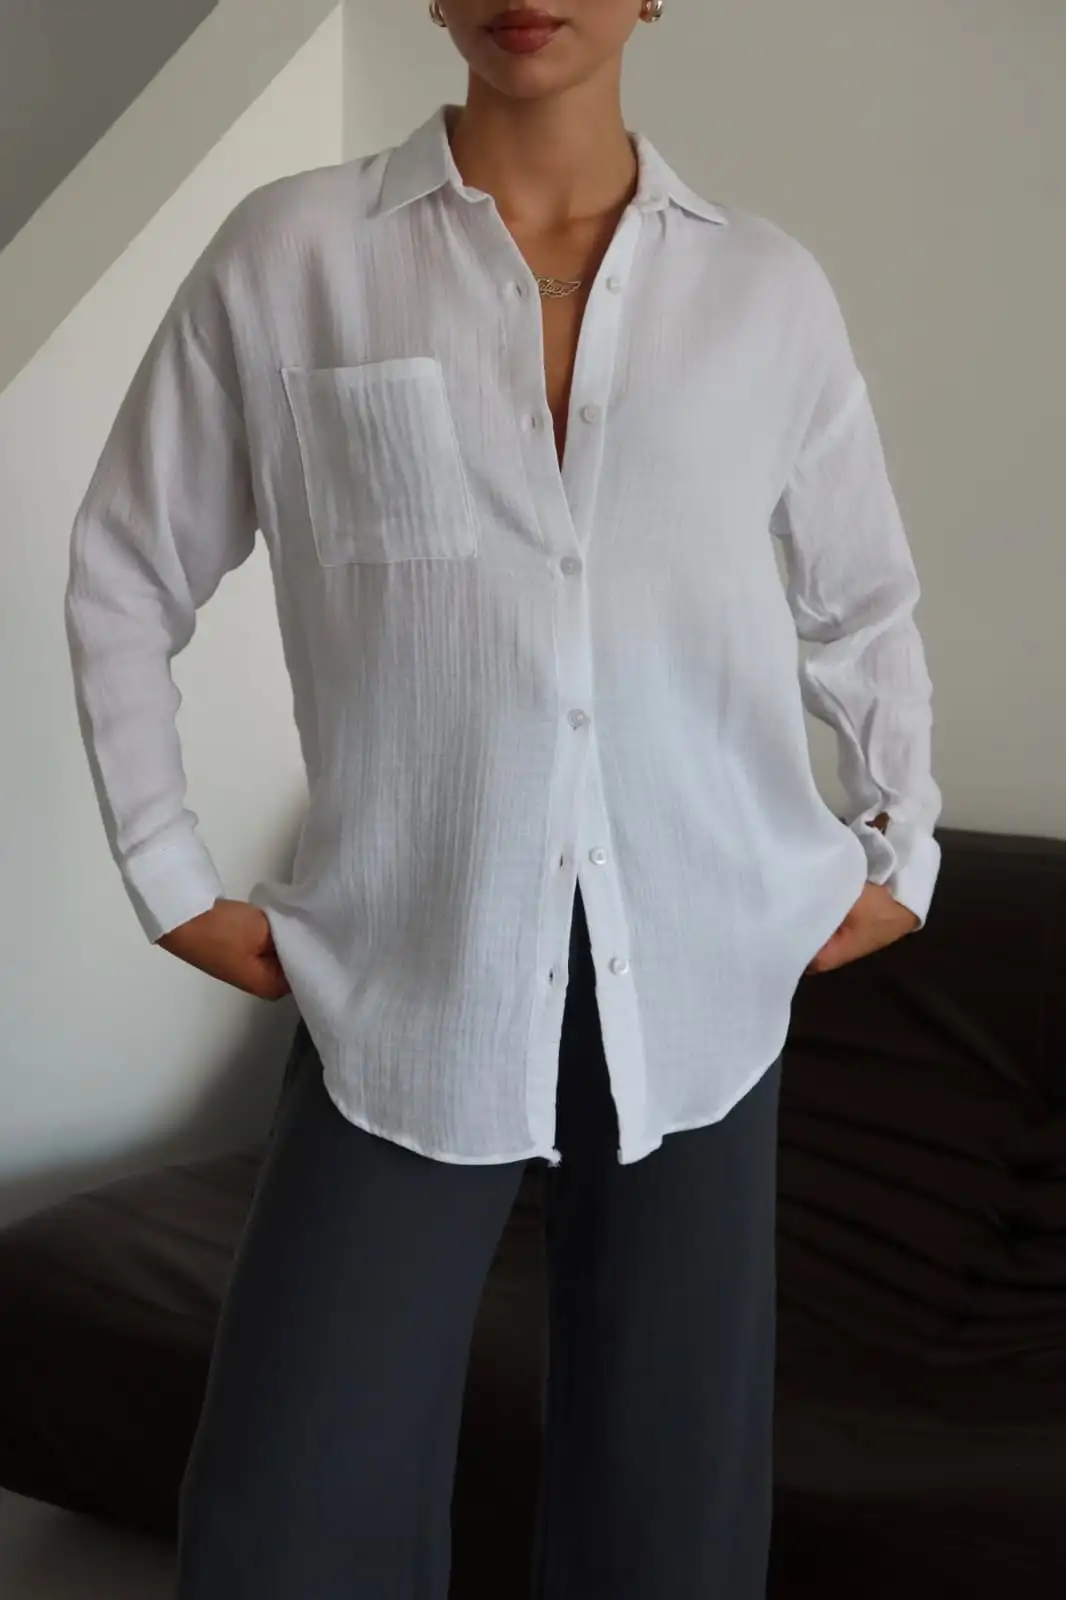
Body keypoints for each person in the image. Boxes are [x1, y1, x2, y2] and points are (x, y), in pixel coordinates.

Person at [63, 2, 942, 1595]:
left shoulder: (763, 290)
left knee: (667, 1518)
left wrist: (901, 836)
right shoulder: (293, 255)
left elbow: (860, 596)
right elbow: (127, 569)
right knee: (288, 1512)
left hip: (703, 965)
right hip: (411, 962)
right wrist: (166, 869)